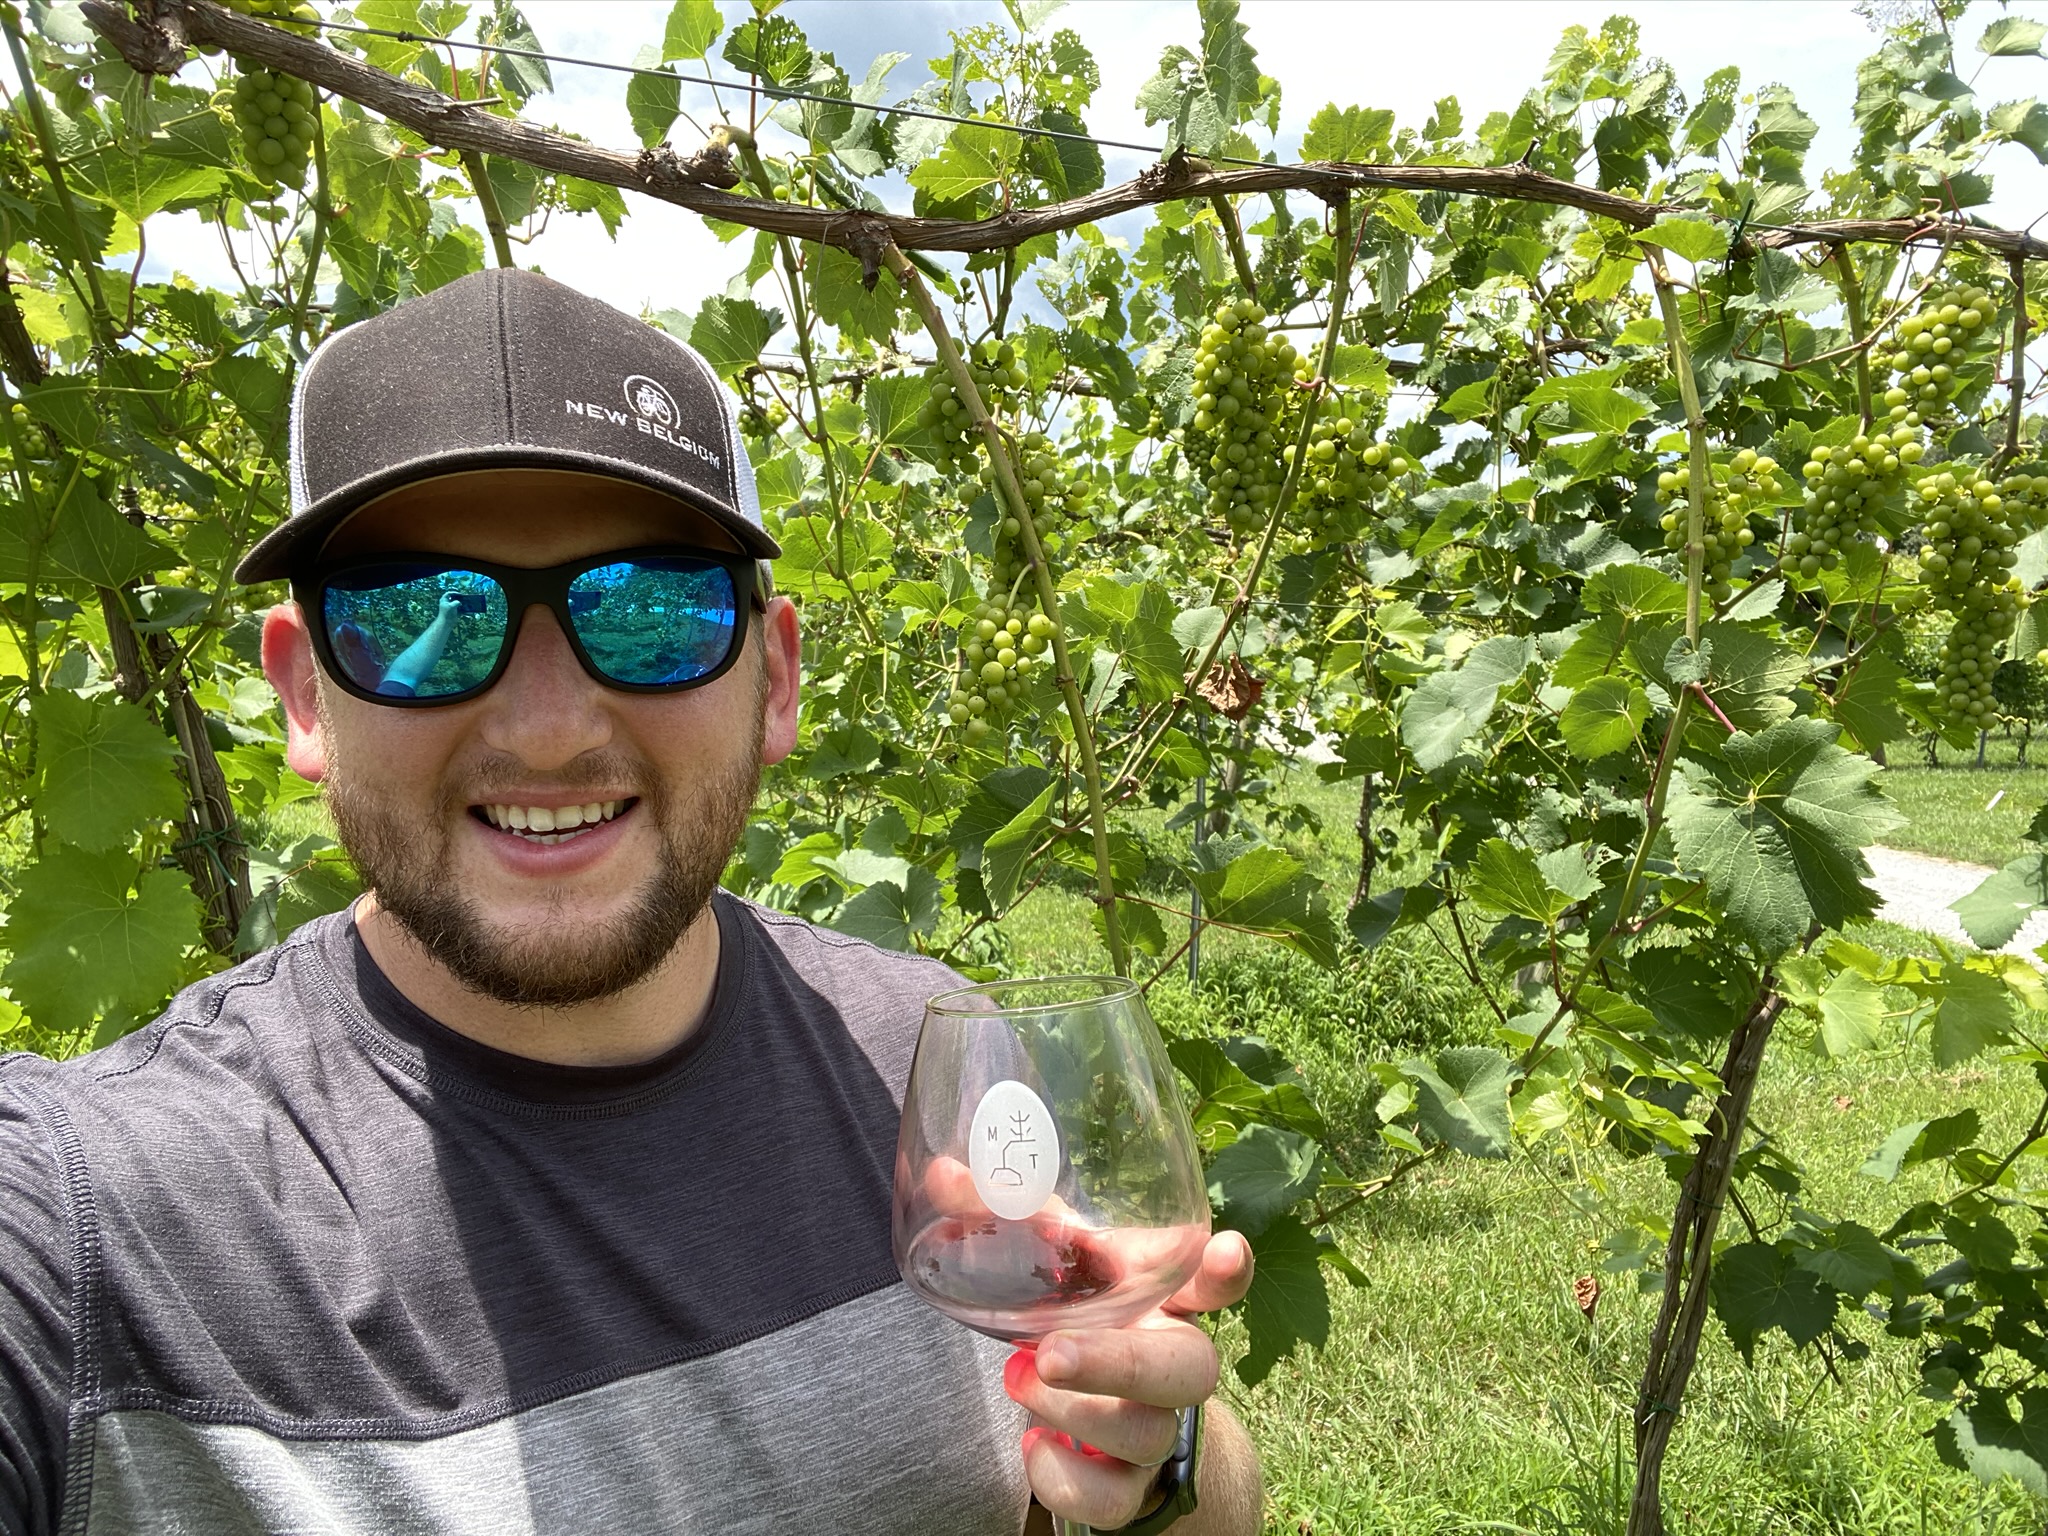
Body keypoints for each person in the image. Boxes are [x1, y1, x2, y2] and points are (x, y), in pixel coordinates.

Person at [0, 268, 1262, 1535]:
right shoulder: (90, 1224)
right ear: (303, 697)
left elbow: (1163, 1485)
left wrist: (1156, 1462)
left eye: (650, 609)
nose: (546, 729)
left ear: (773, 680)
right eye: (414, 614)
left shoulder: (939, 1069)